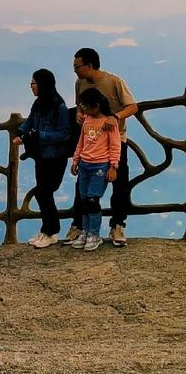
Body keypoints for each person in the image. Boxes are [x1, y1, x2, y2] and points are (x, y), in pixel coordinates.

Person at [63, 50, 138, 248]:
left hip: (115, 140)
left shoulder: (114, 82)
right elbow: (80, 105)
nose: (75, 71)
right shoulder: (80, 84)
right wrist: (79, 113)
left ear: (89, 65)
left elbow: (132, 107)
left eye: (77, 67)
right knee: (83, 188)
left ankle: (117, 225)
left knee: (120, 184)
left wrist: (116, 117)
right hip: (91, 143)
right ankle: (79, 226)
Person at [13, 69, 71, 248]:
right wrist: (21, 133)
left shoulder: (58, 105)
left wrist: (39, 135)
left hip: (55, 157)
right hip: (41, 157)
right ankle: (47, 230)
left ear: (43, 84)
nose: (31, 87)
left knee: (44, 192)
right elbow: (30, 121)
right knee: (42, 193)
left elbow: (64, 133)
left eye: (34, 83)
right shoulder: (39, 103)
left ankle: (51, 231)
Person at [70, 89, 121, 252]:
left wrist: (113, 166)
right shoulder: (87, 120)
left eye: (85, 105)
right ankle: (85, 231)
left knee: (93, 200)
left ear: (96, 106)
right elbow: (81, 141)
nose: (82, 108)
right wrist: (76, 159)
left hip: (100, 166)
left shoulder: (109, 122)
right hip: (85, 164)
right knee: (84, 200)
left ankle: (94, 234)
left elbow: (115, 145)